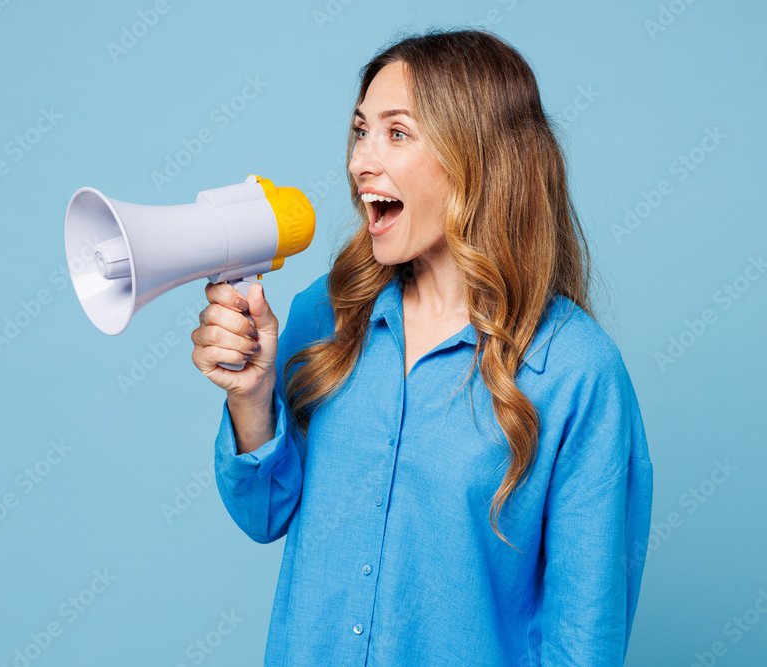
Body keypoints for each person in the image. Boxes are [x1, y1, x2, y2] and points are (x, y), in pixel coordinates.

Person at [190, 28, 653, 667]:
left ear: (479, 158)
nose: (360, 163)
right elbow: (265, 514)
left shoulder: (576, 371)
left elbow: (585, 640)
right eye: (360, 132)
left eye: (397, 133)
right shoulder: (321, 314)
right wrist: (250, 399)